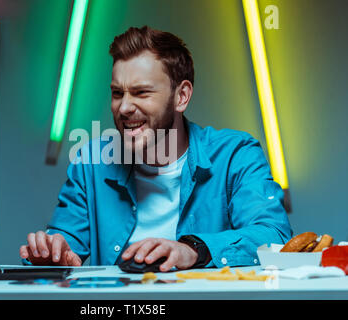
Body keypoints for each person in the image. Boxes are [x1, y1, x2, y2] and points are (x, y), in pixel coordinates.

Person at [19, 26, 292, 272]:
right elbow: (65, 245)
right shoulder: (91, 162)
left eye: (141, 93)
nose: (124, 107)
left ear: (181, 96)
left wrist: (193, 250)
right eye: (117, 93)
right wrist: (51, 255)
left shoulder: (236, 155)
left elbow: (274, 237)